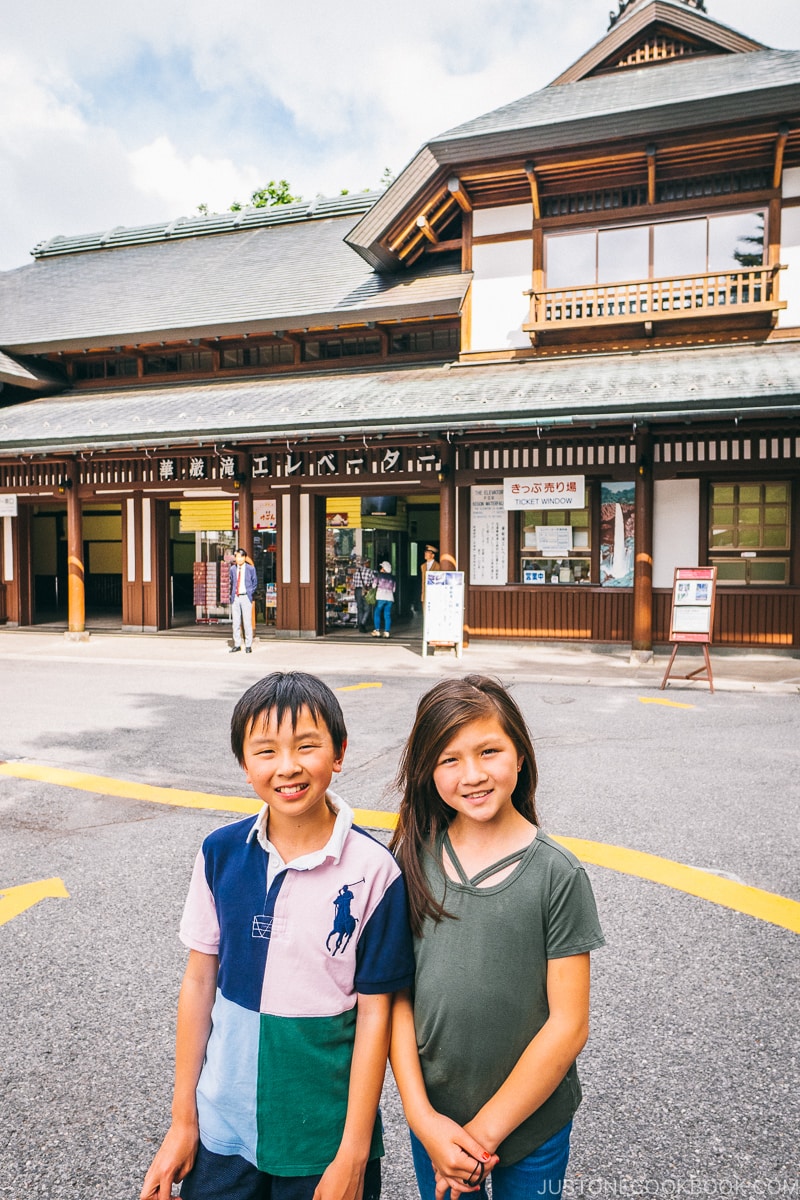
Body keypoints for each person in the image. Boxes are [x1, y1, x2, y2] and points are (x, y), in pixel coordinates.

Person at [140, 670, 415, 1200]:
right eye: (265, 751)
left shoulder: (375, 870)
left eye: (307, 746)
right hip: (224, 1130)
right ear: (244, 766)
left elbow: (376, 1012)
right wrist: (183, 1121)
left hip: (324, 1141)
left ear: (338, 753)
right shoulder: (219, 854)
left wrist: (354, 1152)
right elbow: (199, 984)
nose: (287, 766)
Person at [388, 675, 605, 1200]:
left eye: (489, 751)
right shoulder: (409, 863)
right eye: (449, 760)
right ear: (426, 772)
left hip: (535, 1121)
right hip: (436, 1124)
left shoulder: (558, 874)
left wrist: (483, 1137)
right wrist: (421, 1118)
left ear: (520, 755)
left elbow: (569, 1024)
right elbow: (394, 997)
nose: (474, 774)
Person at [229, 547, 257, 654]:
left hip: (246, 596)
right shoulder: (232, 569)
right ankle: (237, 644)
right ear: (235, 558)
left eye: (241, 557)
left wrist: (250, 593)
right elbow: (231, 582)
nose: (239, 559)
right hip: (235, 597)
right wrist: (231, 595)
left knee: (247, 622)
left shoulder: (250, 569)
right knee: (235, 622)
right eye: (237, 557)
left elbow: (255, 582)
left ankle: (248, 645)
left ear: (245, 558)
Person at [371, 562, 396, 639]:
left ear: (384, 569)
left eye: (382, 568)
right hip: (390, 598)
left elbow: (373, 586)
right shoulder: (392, 578)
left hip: (381, 597)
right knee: (387, 615)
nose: (381, 569)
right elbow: (394, 590)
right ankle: (387, 632)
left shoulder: (378, 576)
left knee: (377, 613)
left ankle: (377, 631)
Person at [352, 556, 375, 633]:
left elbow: (353, 584)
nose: (370, 564)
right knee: (367, 608)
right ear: (365, 563)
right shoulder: (370, 572)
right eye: (369, 562)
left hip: (357, 590)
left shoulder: (356, 572)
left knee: (360, 608)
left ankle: (360, 625)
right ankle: (362, 623)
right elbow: (374, 582)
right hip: (365, 590)